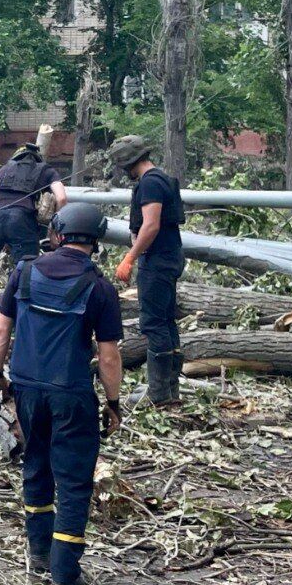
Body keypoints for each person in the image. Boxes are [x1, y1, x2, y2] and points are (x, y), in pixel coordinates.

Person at [0, 204, 123, 585]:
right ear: (96, 241)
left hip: (26, 390)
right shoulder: (100, 287)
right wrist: (113, 402)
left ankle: (40, 557)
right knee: (75, 481)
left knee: (36, 466)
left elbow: (0, 331)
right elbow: (109, 356)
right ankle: (64, 576)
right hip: (72, 395)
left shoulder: (24, 272)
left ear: (58, 234)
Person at [110, 135, 184, 405]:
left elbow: (150, 225)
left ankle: (158, 394)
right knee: (165, 321)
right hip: (169, 256)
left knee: (153, 323)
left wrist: (129, 258)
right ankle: (169, 390)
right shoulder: (162, 179)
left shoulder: (151, 183)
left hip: (158, 261)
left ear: (128, 162)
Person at [0, 126, 69, 309]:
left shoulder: (2, 171)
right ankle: (19, 310)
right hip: (21, 217)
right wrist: (55, 226)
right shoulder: (46, 169)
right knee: (25, 266)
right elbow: (62, 197)